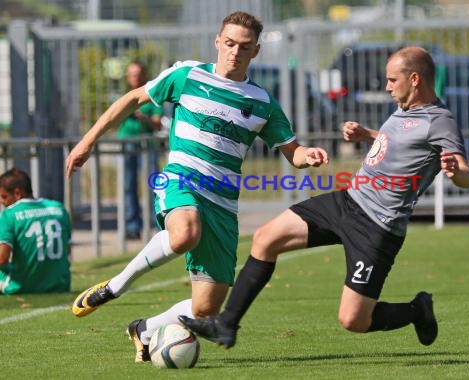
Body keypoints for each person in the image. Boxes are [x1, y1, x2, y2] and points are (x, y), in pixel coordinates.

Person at [65, 11, 328, 363]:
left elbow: (292, 153)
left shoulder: (263, 102)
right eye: (230, 43)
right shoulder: (187, 75)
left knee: (205, 311)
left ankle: (144, 328)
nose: (235, 52)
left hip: (223, 204)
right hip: (180, 178)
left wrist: (306, 155)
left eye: (244, 47)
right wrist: (88, 141)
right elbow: (132, 99)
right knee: (185, 232)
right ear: (218, 42)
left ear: (256, 52)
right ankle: (115, 286)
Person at [179, 46, 469, 349]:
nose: (386, 86)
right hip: (347, 201)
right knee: (266, 239)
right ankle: (226, 325)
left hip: (377, 228)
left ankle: (416, 310)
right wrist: (369, 135)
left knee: (354, 320)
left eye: (391, 80)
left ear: (414, 79)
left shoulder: (440, 120)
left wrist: (455, 170)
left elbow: (465, 175)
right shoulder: (406, 108)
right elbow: (404, 140)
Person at [0, 168, 72, 294]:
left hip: (23, 287)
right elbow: (68, 250)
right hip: (60, 285)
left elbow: (2, 258)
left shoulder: (9, 214)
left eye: (4, 196)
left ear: (17, 193)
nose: (1, 201)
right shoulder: (59, 208)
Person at [119, 61, 164, 240]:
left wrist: (142, 117)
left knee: (155, 186)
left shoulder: (151, 96)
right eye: (132, 74)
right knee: (128, 186)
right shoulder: (124, 96)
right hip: (126, 145)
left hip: (147, 147)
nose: (135, 77)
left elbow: (157, 123)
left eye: (138, 73)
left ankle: (157, 224)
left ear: (144, 75)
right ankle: (133, 226)